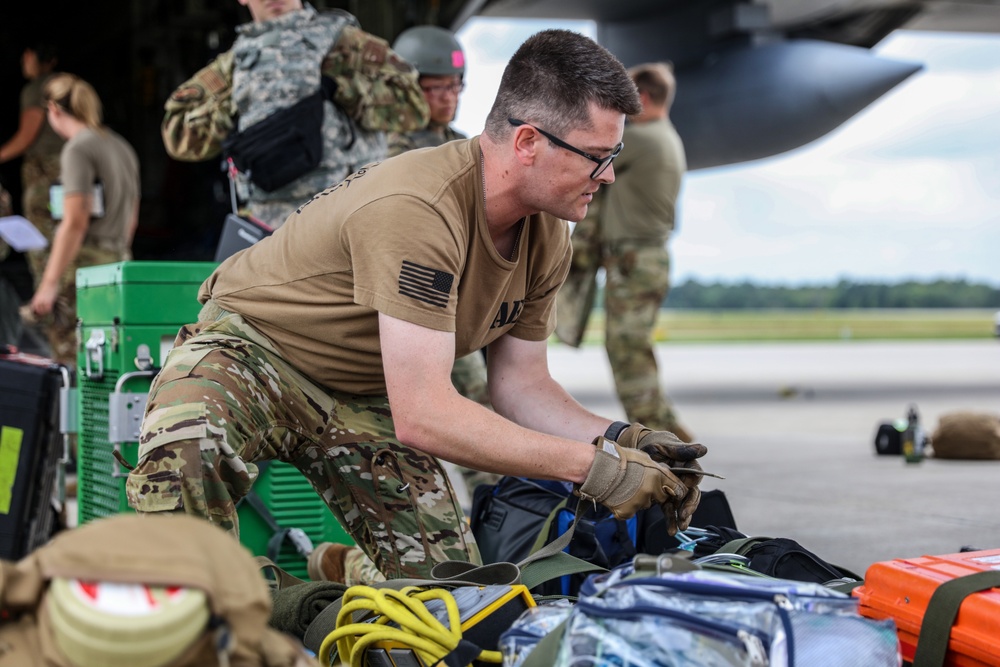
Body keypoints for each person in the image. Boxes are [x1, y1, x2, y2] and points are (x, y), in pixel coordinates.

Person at [125, 30, 708, 587]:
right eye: (595, 157)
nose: (606, 177)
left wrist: (622, 439)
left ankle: (337, 576)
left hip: (363, 391)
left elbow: (521, 387)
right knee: (186, 456)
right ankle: (229, 609)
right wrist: (593, 470)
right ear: (528, 142)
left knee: (454, 593)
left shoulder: (547, 233)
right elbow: (424, 414)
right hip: (253, 356)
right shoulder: (420, 208)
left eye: (614, 156)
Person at [161, 0, 429, 230]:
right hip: (269, 223)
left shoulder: (344, 43)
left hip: (349, 213)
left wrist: (341, 88)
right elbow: (178, 137)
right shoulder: (236, 64)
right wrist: (235, 107)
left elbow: (414, 108)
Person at [388, 25, 500, 497]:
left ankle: (499, 515)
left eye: (454, 87)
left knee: (479, 416)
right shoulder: (379, 152)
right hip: (397, 303)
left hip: (455, 301)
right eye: (435, 88)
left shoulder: (463, 148)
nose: (447, 98)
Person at [555, 62, 693, 441]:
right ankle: (662, 435)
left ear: (643, 98)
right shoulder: (666, 137)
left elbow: (589, 155)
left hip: (635, 260)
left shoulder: (645, 140)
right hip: (641, 260)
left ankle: (663, 439)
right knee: (628, 348)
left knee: (629, 353)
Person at [25, 73, 140, 366]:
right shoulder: (120, 146)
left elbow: (75, 220)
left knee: (73, 362)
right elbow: (132, 216)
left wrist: (49, 283)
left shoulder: (78, 148)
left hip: (84, 268)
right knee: (108, 359)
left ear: (53, 109)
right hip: (118, 263)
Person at [0, 42, 64, 352]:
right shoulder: (68, 87)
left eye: (26, 55)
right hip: (66, 178)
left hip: (46, 175)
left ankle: (47, 305)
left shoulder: (38, 88)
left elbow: (26, 136)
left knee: (42, 243)